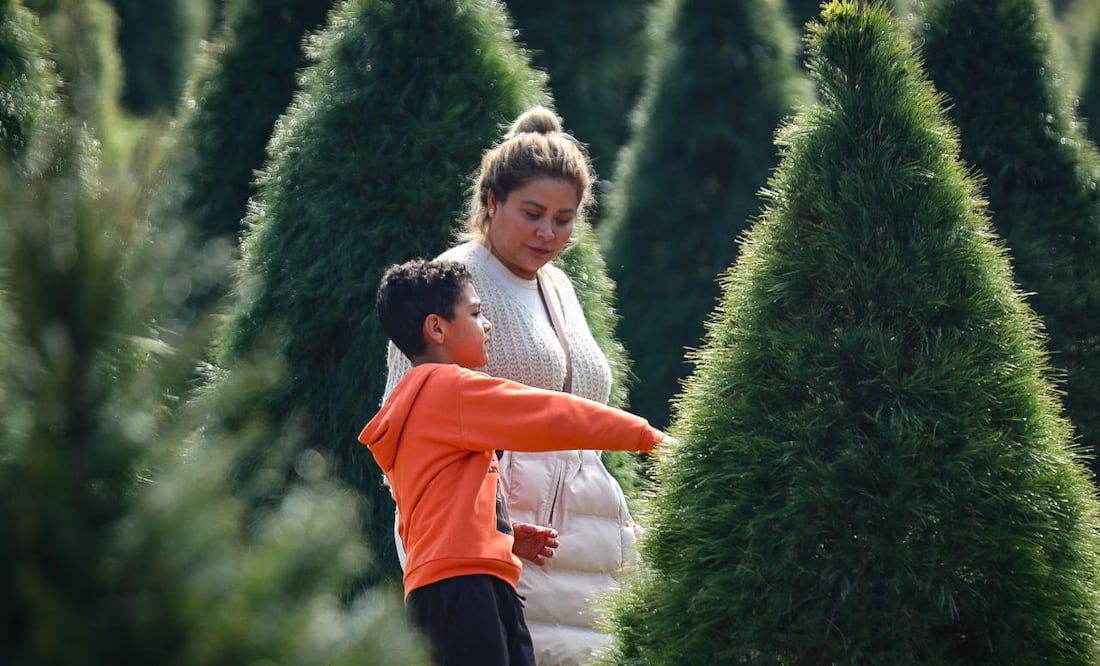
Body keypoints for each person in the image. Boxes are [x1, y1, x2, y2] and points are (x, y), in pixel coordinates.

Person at [383, 106, 637, 664]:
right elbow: (407, 438)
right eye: (532, 213)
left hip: (590, 546)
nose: (548, 233)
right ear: (492, 201)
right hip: (504, 546)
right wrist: (444, 559)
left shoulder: (562, 287)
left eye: (565, 219)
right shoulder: (453, 283)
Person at [363, 259, 668, 666]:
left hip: (448, 586)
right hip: (466, 589)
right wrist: (648, 438)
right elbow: (553, 415)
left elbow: (433, 508)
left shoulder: (417, 405)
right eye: (475, 313)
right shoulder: (448, 388)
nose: (487, 324)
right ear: (437, 329)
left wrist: (500, 534)